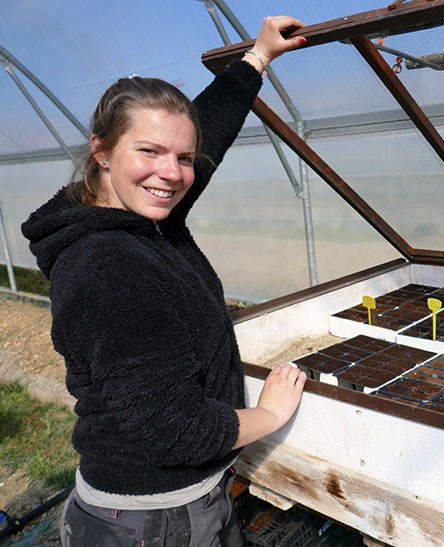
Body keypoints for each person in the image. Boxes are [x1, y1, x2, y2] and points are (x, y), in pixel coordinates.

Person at [21, 15, 308, 547]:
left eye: (183, 158)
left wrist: (258, 59)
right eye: (148, 152)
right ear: (102, 151)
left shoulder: (129, 216)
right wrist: (267, 415)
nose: (172, 173)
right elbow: (174, 428)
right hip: (156, 521)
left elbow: (206, 131)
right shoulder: (109, 265)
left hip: (170, 503)